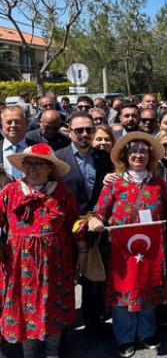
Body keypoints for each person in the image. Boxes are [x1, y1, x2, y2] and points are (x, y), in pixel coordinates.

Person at [87, 132, 167, 357]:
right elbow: (101, 210)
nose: (138, 155)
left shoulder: (158, 183)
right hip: (121, 250)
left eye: (143, 151)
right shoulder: (114, 182)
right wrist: (95, 220)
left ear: (149, 155)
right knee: (122, 290)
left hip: (152, 247)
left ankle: (147, 331)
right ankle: (124, 335)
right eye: (133, 151)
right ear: (125, 155)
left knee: (148, 285)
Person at [0, 143, 84, 356]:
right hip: (19, 266)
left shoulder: (62, 192)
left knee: (52, 308)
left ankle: (52, 353)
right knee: (24, 308)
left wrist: (83, 250)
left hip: (54, 265)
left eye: (38, 164)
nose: (32, 169)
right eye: (28, 164)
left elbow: (74, 223)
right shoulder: (10, 191)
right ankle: (29, 353)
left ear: (50, 168)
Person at [56, 111, 115, 335]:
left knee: (94, 280)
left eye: (89, 130)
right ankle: (63, 326)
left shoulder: (105, 158)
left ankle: (94, 322)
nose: (84, 134)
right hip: (67, 229)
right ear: (69, 132)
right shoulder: (58, 158)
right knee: (66, 279)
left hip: (97, 227)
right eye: (79, 130)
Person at [1, 106, 37, 179]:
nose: (13, 125)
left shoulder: (37, 149)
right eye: (8, 122)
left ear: (27, 123)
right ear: (1, 124)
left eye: (17, 122)